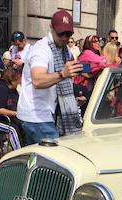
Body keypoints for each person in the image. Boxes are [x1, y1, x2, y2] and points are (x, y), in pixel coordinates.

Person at [17, 9, 83, 143]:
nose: (64, 38)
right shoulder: (41, 50)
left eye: (68, 34)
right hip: (36, 116)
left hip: (48, 114)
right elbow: (37, 80)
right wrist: (62, 74)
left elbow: (64, 84)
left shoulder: (66, 51)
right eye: (61, 33)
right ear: (51, 28)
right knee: (54, 159)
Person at [0, 65, 24, 149]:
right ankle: (18, 153)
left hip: (5, 119)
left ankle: (26, 148)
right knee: (12, 130)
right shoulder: (0, 89)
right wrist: (16, 113)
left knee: (23, 125)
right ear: (13, 79)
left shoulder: (13, 91)